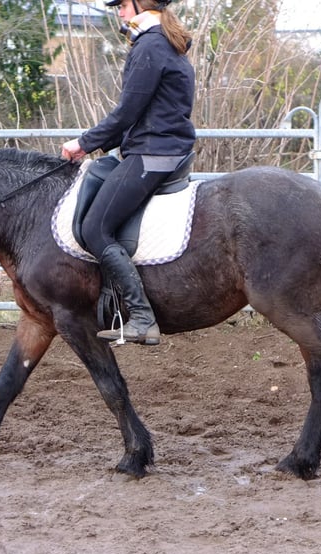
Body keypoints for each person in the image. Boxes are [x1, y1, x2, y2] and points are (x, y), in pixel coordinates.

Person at [61, 0, 195, 346]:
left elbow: (126, 112)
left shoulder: (150, 46)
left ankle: (141, 316)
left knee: (94, 227)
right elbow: (139, 114)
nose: (119, 12)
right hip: (158, 149)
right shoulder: (165, 42)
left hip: (154, 154)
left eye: (121, 5)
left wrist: (83, 143)